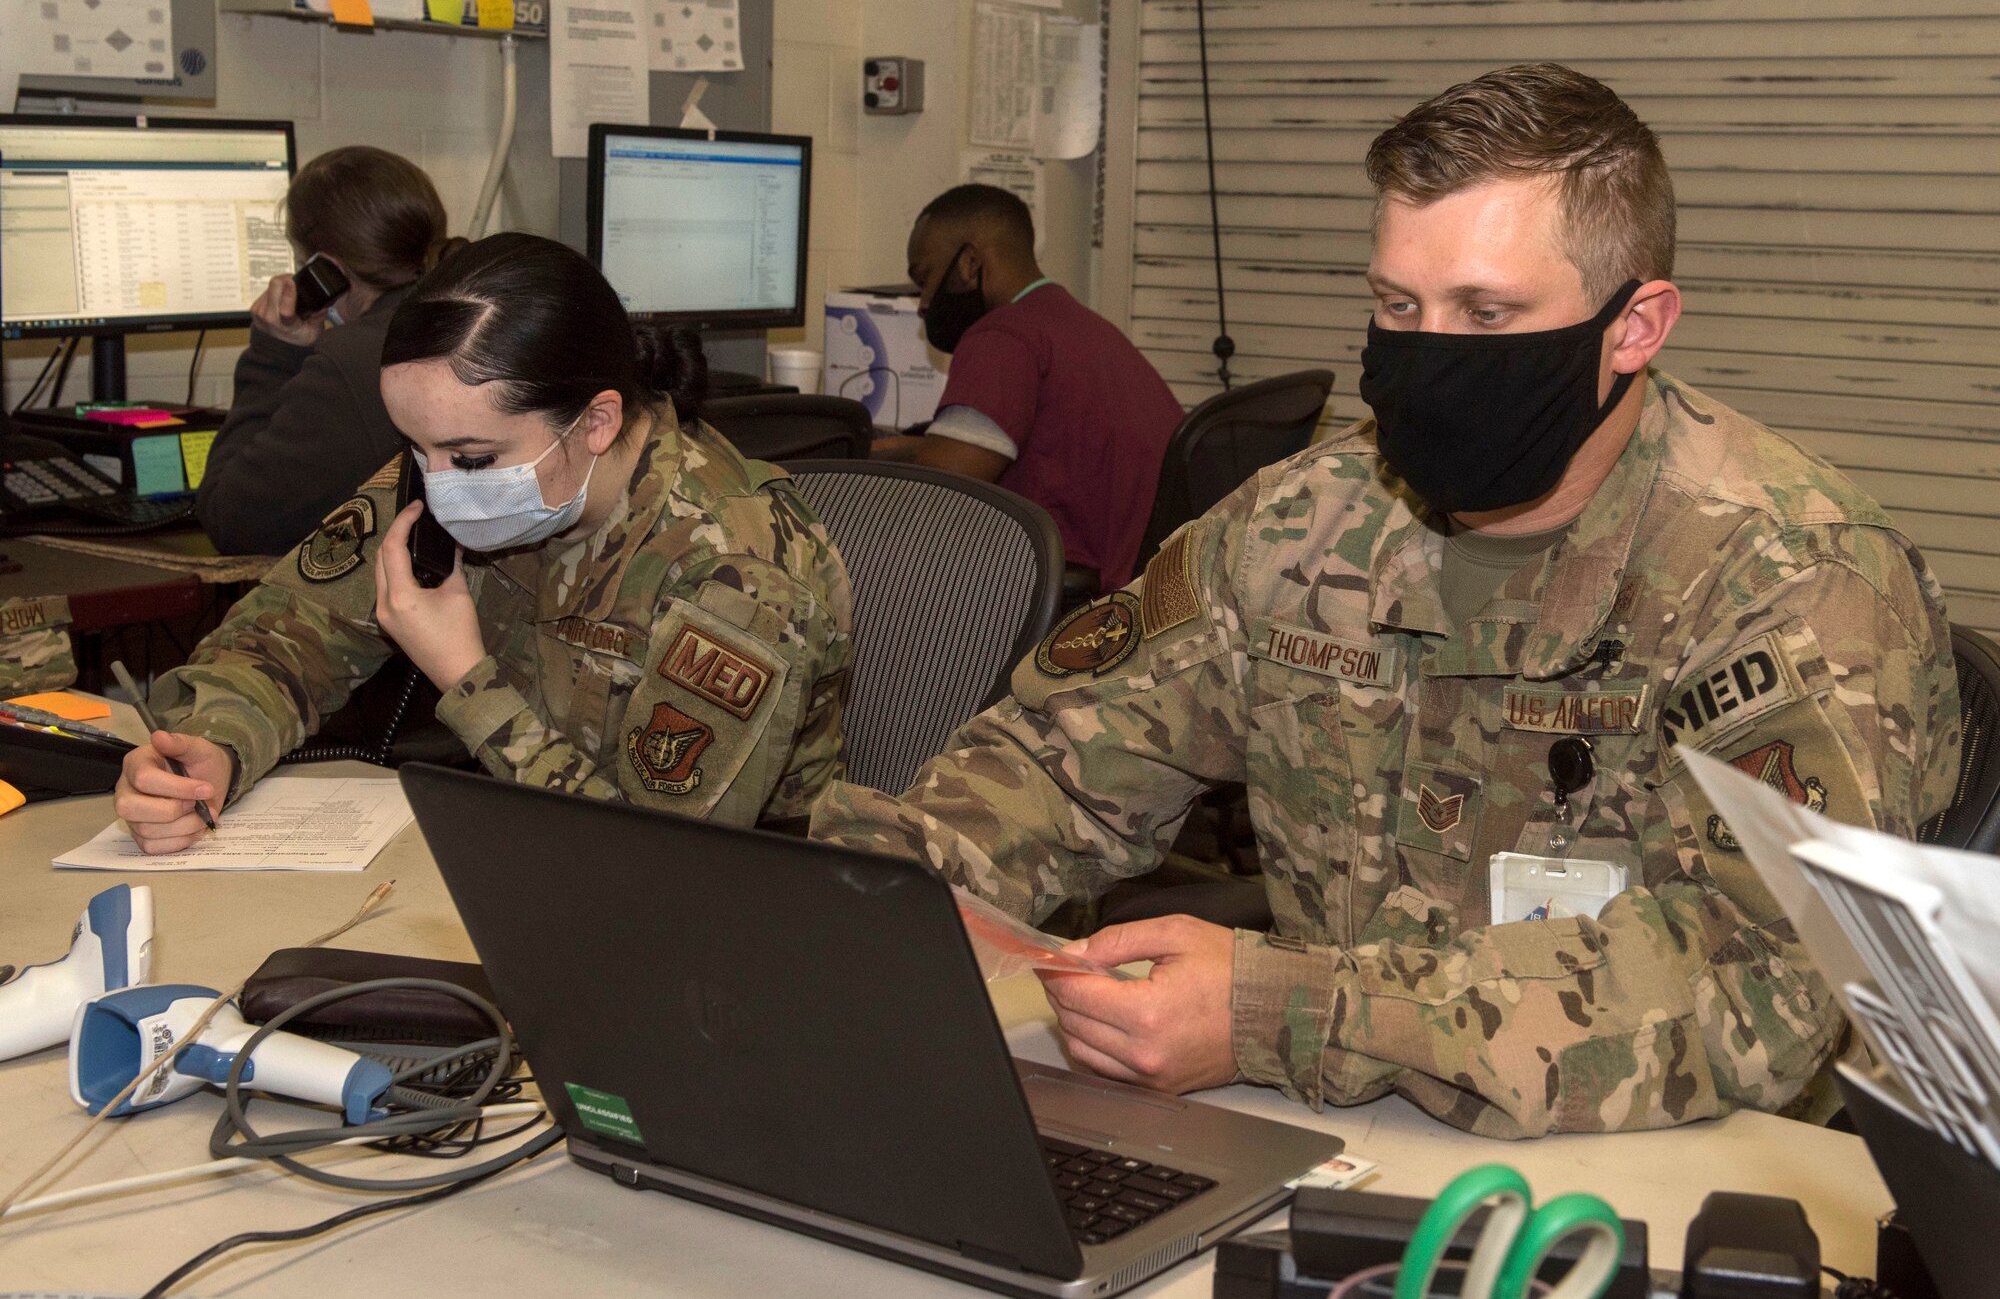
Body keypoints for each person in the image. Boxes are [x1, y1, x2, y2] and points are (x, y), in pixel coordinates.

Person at [815, 64, 1962, 1138]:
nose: (1426, 356)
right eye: (1396, 307)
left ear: (1634, 328)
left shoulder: (1793, 576)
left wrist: (1286, 1011)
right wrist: (864, 898)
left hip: (1655, 1174)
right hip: (1332, 1141)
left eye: (1485, 316)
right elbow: (1062, 759)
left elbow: (1764, 978)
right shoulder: (1301, 524)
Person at [117, 233, 854, 853]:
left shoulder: (736, 569)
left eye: (470, 457)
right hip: (513, 857)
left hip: (706, 927)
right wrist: (215, 744)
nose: (439, 487)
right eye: (415, 447)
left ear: (596, 421)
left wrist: (465, 677)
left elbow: (658, 860)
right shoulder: (461, 466)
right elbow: (284, 637)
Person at [876, 185, 1182, 591]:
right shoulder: (1074, 322)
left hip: (1082, 591)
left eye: (925, 278)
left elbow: (941, 489)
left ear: (969, 263)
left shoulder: (1003, 335)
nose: (922, 303)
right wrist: (901, 448)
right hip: (1147, 578)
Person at [198, 146, 458, 556]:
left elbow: (232, 522)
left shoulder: (354, 362)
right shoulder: (466, 317)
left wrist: (274, 354)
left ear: (325, 270)